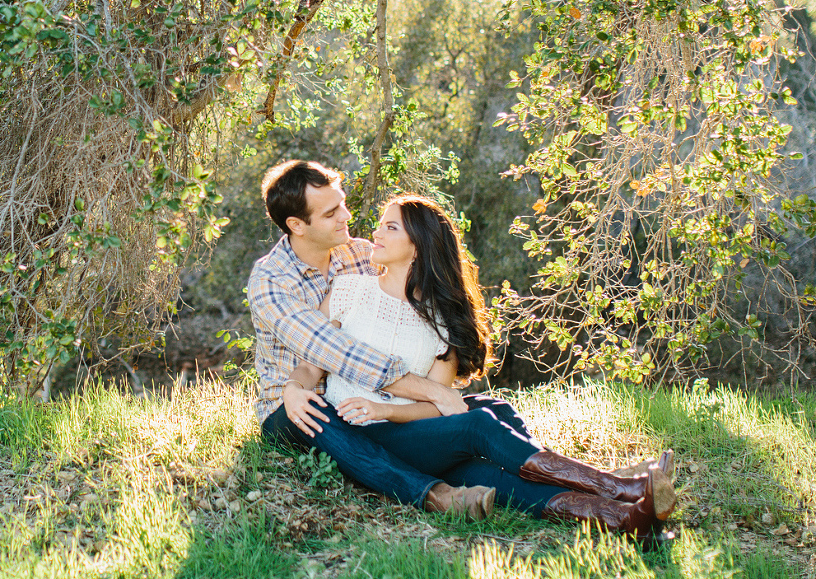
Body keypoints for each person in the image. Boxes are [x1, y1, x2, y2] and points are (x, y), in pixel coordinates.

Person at [278, 192, 676, 540]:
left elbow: (438, 406)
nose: (376, 234)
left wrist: (385, 409)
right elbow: (312, 368)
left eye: (390, 227)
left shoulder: (442, 320)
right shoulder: (348, 291)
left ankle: (623, 518)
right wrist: (294, 388)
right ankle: (618, 488)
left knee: (491, 471)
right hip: (357, 435)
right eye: (381, 226)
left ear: (418, 246)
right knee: (481, 423)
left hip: (409, 432)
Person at [248, 160, 498, 518]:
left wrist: (441, 372)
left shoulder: (359, 254)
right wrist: (433, 392)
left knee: (482, 414)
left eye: (343, 203)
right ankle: (436, 496)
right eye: (331, 213)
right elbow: (333, 351)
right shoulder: (270, 281)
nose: (346, 216)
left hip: (365, 404)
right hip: (294, 406)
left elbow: (405, 314)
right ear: (296, 225)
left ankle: (579, 486)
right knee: (321, 417)